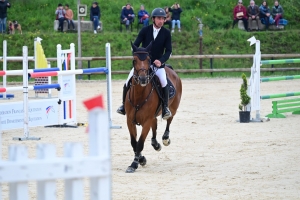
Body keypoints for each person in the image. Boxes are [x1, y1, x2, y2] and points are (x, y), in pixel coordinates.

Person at [117, 8, 172, 120]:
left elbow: (169, 51)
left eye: (163, 19)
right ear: (153, 19)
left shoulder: (166, 33)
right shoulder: (145, 30)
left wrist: (161, 61)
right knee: (127, 81)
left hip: (157, 65)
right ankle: (123, 106)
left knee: (163, 82)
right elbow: (135, 46)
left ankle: (165, 108)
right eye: (159, 18)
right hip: (143, 65)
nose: (161, 21)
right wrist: (141, 59)